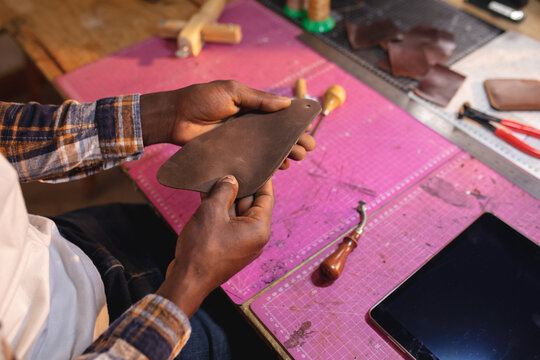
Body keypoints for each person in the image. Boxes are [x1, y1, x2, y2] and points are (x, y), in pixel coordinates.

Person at [0, 80, 316, 359]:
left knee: (148, 224)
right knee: (252, 338)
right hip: (107, 337)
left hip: (62, 246)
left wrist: (164, 114)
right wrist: (190, 280)